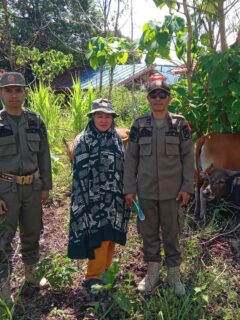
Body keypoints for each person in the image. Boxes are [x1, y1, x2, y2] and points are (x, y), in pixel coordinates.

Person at [124, 79, 194, 296]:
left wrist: (187, 187)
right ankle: (152, 272)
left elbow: (188, 158)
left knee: (172, 234)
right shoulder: (139, 125)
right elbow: (131, 158)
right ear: (148, 99)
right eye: (153, 95)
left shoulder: (180, 125)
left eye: (162, 95)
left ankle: (174, 276)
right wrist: (129, 188)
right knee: (148, 233)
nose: (158, 99)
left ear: (169, 98)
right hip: (145, 192)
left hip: (172, 193)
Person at [67, 98, 130, 292]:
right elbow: (79, 174)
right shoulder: (84, 140)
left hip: (115, 199)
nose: (104, 120)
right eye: (99, 116)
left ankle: (106, 271)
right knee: (98, 237)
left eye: (108, 116)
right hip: (92, 200)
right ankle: (93, 276)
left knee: (110, 235)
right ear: (92, 117)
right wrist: (87, 200)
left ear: (112, 119)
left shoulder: (116, 139)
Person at [0, 72, 52, 304]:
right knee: (3, 238)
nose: (14, 95)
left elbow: (44, 156)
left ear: (25, 93)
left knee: (32, 232)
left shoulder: (35, 121)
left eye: (18, 90)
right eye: (8, 90)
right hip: (5, 189)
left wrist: (45, 187)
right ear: (1, 93)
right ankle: (3, 285)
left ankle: (30, 274)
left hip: (32, 187)